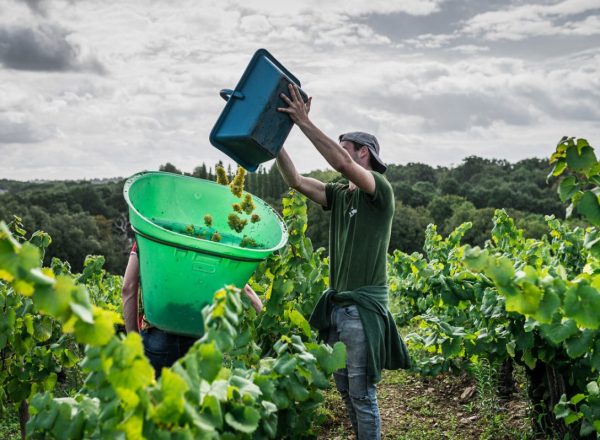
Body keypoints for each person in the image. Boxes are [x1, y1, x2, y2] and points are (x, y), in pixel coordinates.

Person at [276, 84, 410, 440]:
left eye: (348, 147)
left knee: (362, 393)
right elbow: (294, 179)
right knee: (345, 390)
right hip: (337, 308)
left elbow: (341, 162)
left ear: (363, 153)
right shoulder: (337, 195)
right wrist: (274, 140)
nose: (342, 154)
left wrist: (305, 122)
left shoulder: (379, 190)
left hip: (362, 311)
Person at [121, 241, 263, 377]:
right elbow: (241, 286)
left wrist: (133, 343)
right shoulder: (212, 240)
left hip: (157, 337)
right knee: (193, 398)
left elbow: (128, 287)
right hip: (200, 339)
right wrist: (265, 320)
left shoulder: (147, 236)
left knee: (152, 399)